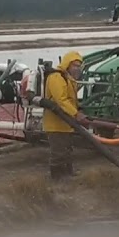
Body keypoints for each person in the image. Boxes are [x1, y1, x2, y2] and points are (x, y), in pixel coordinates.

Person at [41, 50, 89, 181]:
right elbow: (61, 100)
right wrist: (76, 114)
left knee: (67, 149)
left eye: (79, 66)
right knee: (58, 151)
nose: (77, 68)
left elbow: (71, 100)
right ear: (67, 64)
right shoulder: (57, 77)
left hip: (66, 122)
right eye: (74, 65)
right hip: (55, 123)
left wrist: (78, 110)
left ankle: (68, 173)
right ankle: (57, 177)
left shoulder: (69, 79)